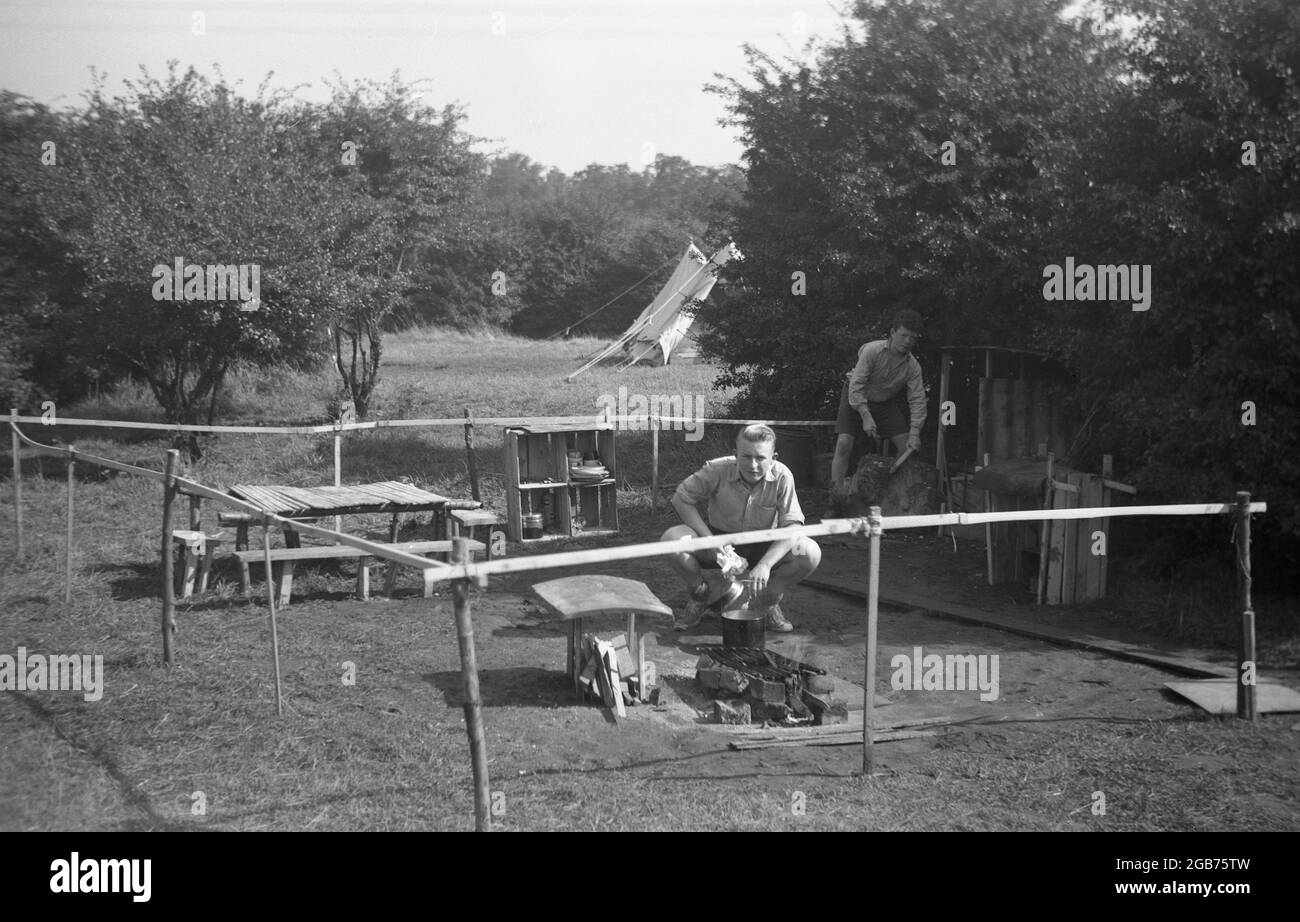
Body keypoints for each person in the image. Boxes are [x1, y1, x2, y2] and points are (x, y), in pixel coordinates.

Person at [660, 424, 822, 633]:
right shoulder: (716, 469)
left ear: (774, 457)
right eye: (745, 456)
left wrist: (765, 564)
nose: (752, 465)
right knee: (672, 539)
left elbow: (792, 526)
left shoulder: (783, 476)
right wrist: (710, 540)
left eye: (761, 458)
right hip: (718, 541)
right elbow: (681, 499)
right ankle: (699, 595)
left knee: (809, 551)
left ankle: (767, 600)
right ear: (735, 453)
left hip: (764, 546)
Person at [829, 310, 927, 493]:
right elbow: (856, 385)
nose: (907, 341)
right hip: (855, 395)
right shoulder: (872, 350)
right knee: (844, 443)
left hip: (884, 402)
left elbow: (917, 400)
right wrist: (865, 415)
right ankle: (835, 496)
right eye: (903, 335)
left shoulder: (913, 367)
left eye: (912, 338)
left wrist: (915, 432)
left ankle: (893, 496)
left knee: (907, 446)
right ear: (892, 333)